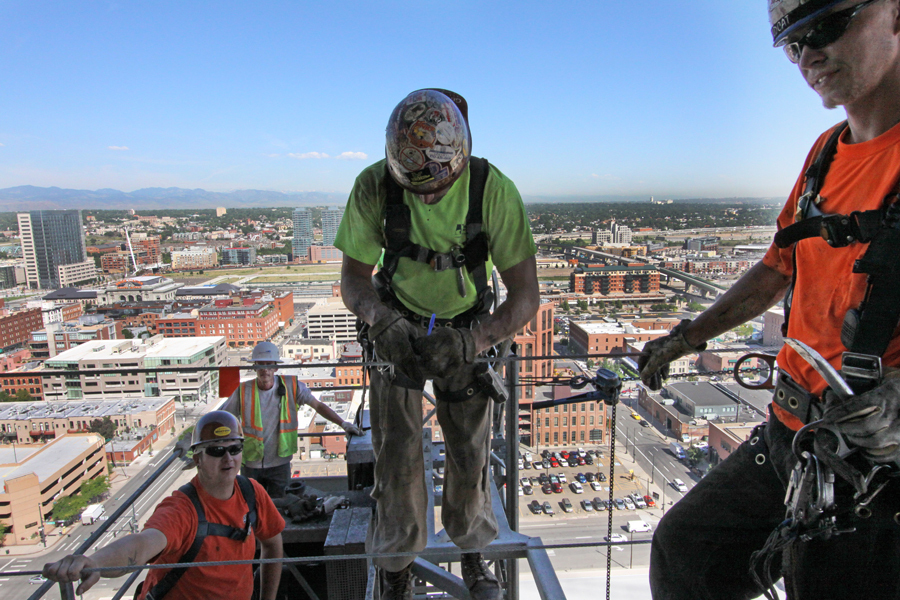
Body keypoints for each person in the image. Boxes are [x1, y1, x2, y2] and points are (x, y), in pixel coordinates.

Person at [640, 1, 900, 598]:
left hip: (872, 472)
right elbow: (774, 269)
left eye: (829, 26)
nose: (809, 54)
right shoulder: (826, 154)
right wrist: (686, 338)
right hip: (791, 434)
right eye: (793, 41)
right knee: (687, 554)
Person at [335, 88, 539, 600]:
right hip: (396, 327)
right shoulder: (375, 186)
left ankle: (473, 553)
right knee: (397, 457)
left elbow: (526, 296)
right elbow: (354, 279)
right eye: (415, 188)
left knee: (470, 453)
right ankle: (397, 564)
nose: (425, 198)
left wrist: (475, 340)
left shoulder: (492, 189)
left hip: (467, 326)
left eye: (436, 189)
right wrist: (379, 320)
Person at [43, 411, 285, 600]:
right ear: (197, 458)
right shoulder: (183, 510)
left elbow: (273, 546)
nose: (228, 458)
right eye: (216, 450)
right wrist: (96, 563)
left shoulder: (252, 493)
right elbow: (143, 543)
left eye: (234, 448)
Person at [222, 341, 364, 499]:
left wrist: (343, 424)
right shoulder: (243, 391)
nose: (264, 370)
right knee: (250, 505)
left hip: (279, 464)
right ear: (254, 368)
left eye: (269, 365)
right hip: (251, 464)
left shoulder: (292, 386)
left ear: (276, 367)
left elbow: (318, 405)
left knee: (280, 507)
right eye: (260, 365)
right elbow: (223, 418)